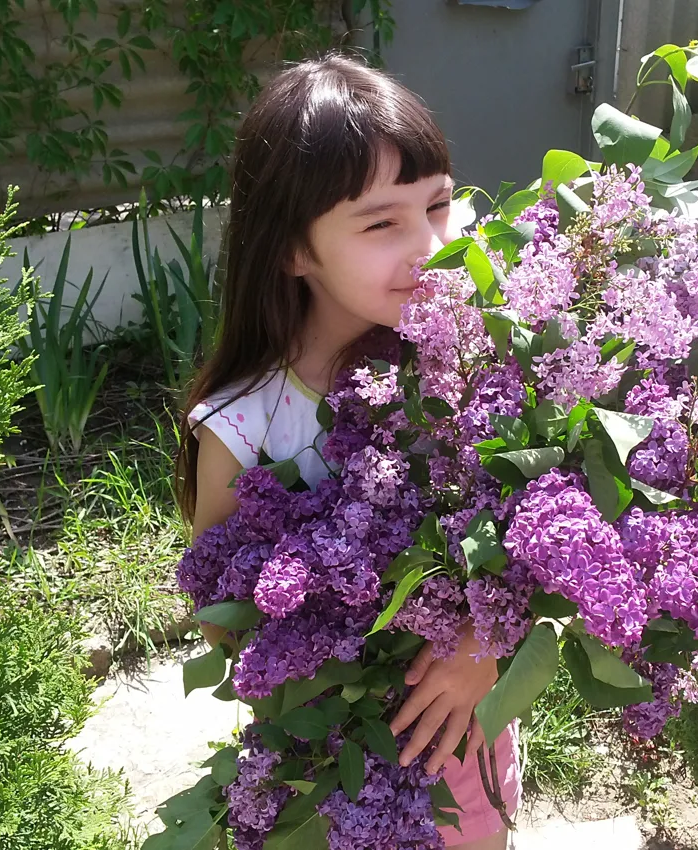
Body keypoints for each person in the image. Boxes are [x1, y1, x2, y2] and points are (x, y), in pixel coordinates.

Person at [172, 52, 522, 850]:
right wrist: (335, 624)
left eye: (438, 205)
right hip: (332, 761)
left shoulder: (469, 365)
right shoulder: (245, 425)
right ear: (293, 251)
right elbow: (221, 611)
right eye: (380, 223)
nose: (430, 245)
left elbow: (533, 544)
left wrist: (482, 643)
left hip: (463, 730)